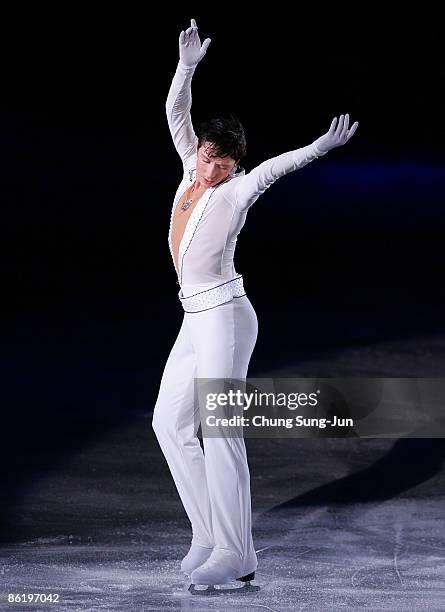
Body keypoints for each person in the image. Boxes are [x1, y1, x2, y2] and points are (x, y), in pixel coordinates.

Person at [152, 18, 359, 588]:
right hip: (195, 317)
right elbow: (176, 112)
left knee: (219, 428)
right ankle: (207, 533)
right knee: (168, 423)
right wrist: (188, 65)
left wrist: (319, 146)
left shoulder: (237, 188)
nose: (215, 170)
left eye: (225, 165)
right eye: (210, 158)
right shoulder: (187, 166)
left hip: (227, 317)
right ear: (201, 150)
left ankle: (237, 554)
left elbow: (276, 168)